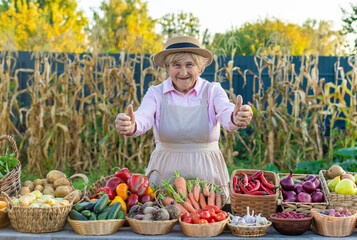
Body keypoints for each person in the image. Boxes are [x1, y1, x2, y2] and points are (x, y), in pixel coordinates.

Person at [115, 36, 253, 199]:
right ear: (167, 67)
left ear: (200, 68)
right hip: (164, 173)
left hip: (207, 173)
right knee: (162, 216)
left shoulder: (212, 91)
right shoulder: (156, 93)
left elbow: (226, 112)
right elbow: (142, 117)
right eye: (176, 65)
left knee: (209, 218)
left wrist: (236, 117)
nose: (183, 72)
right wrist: (131, 125)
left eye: (190, 65)